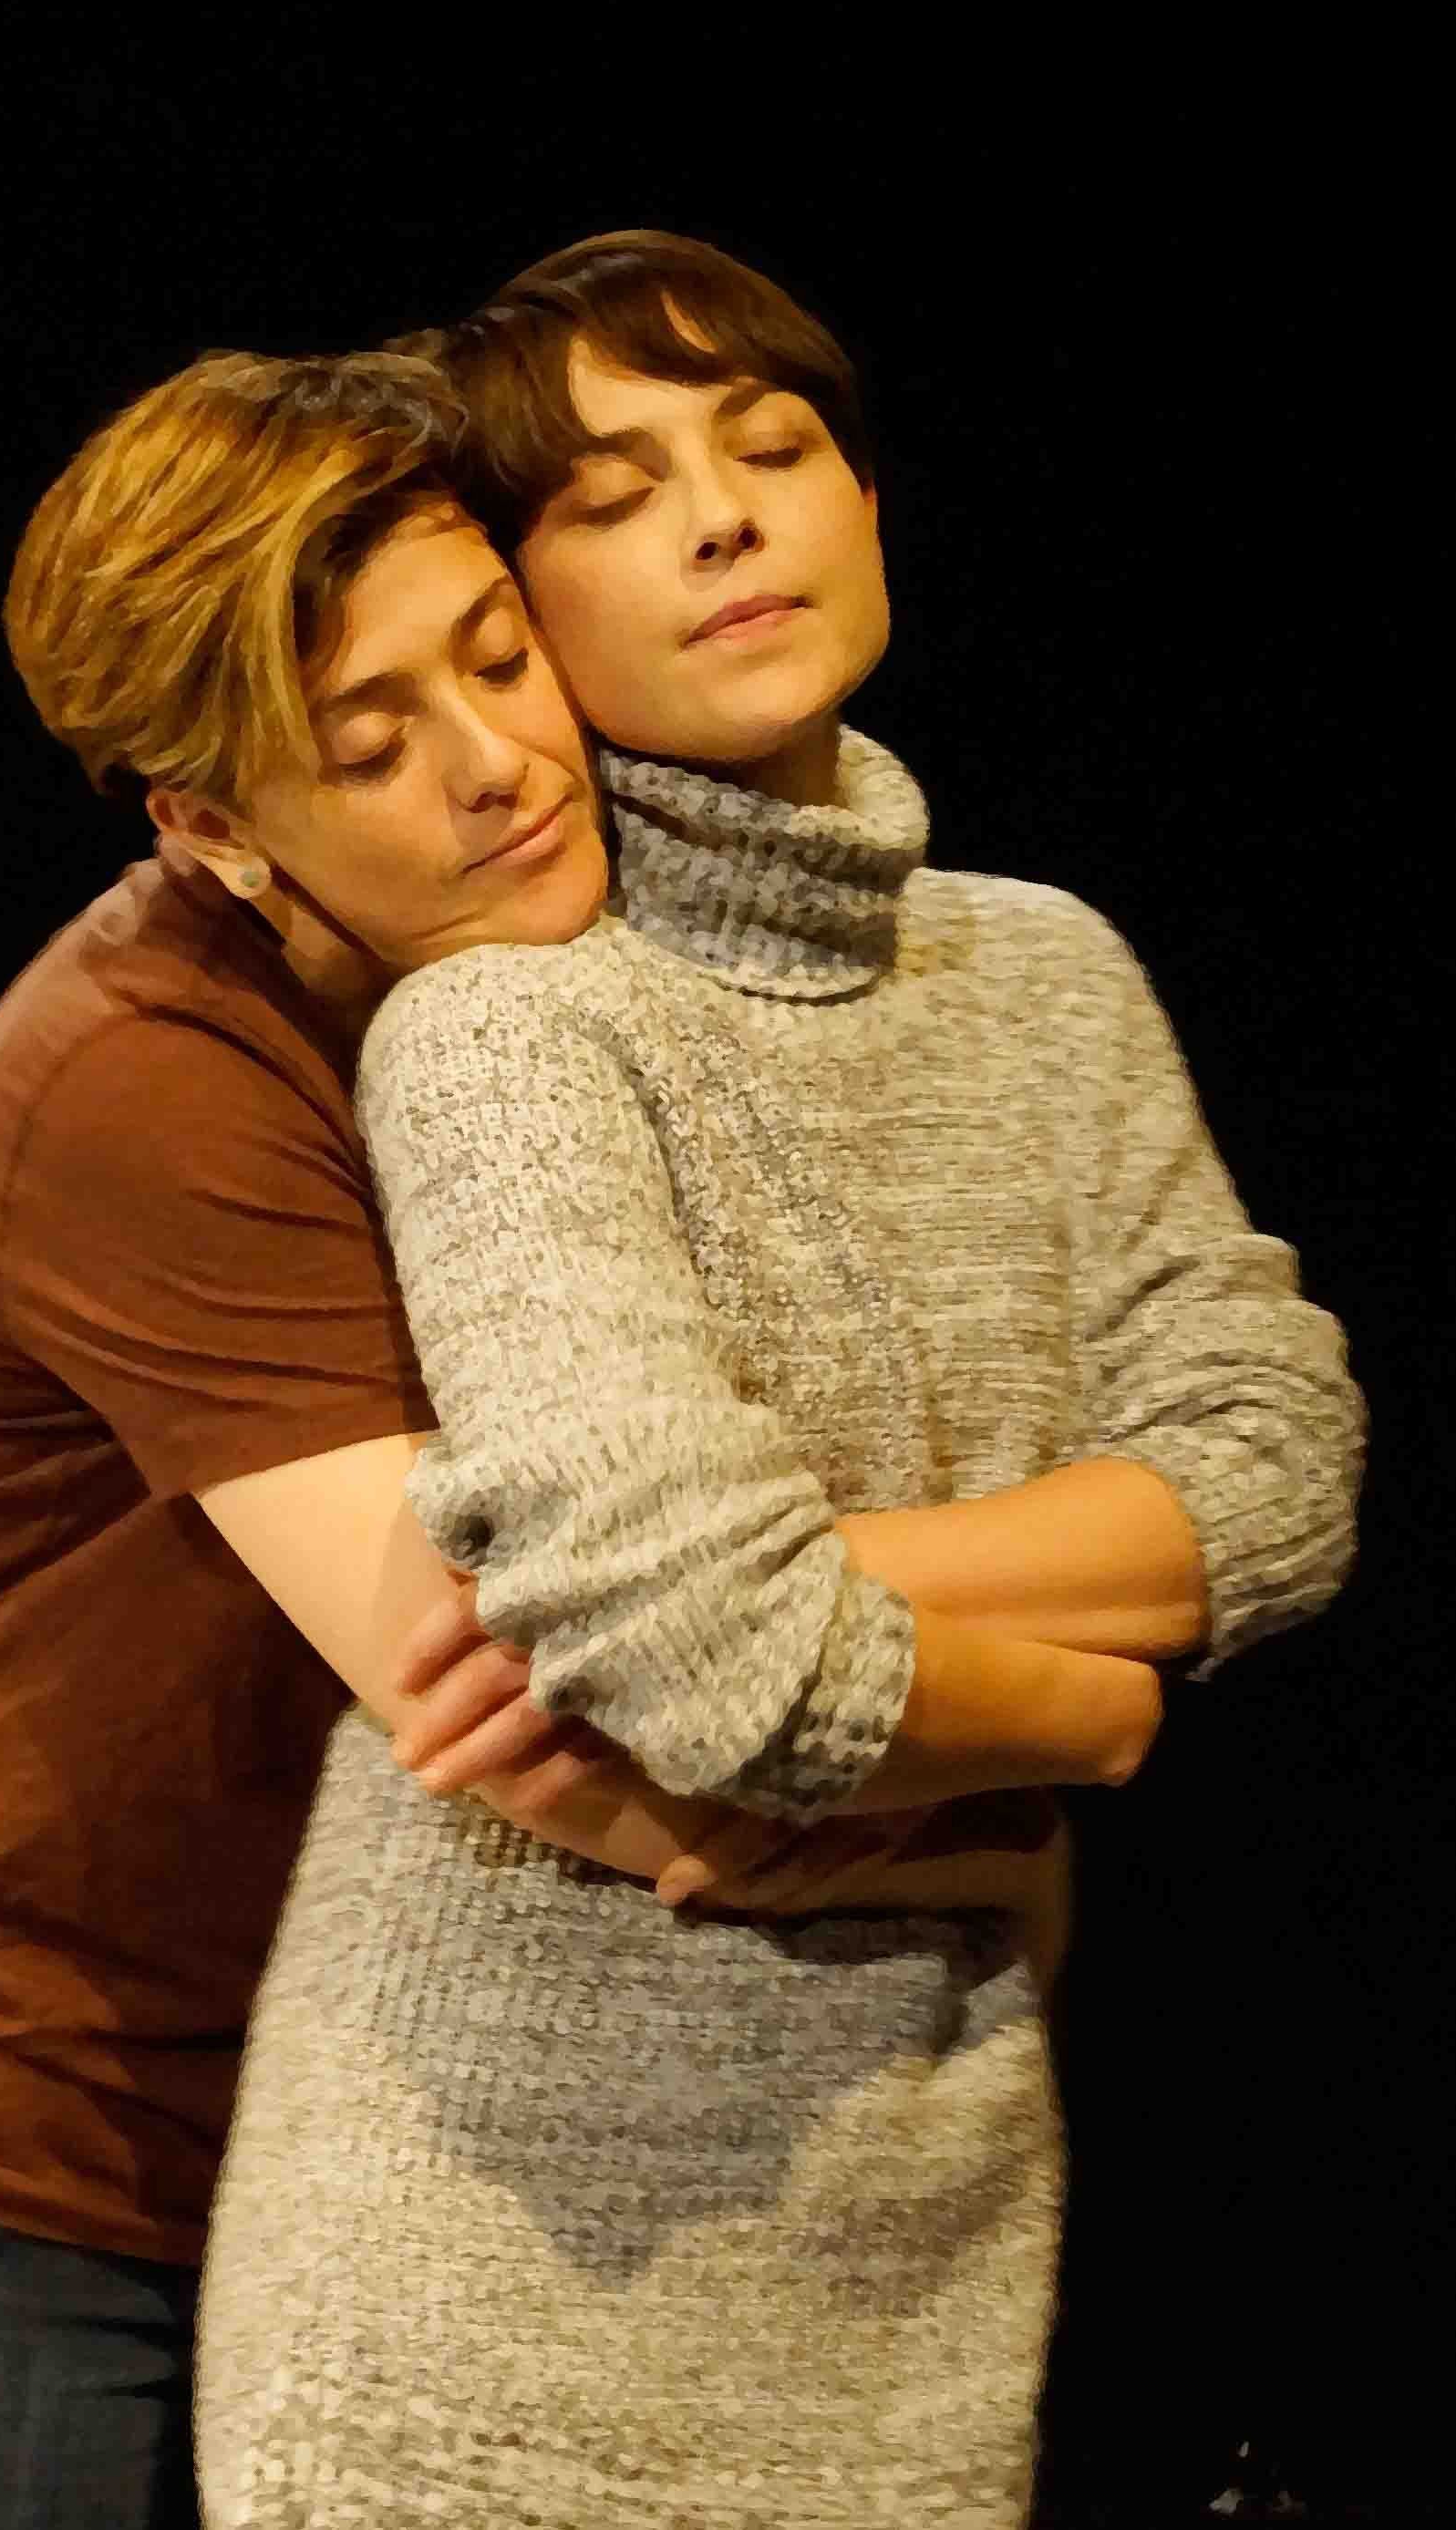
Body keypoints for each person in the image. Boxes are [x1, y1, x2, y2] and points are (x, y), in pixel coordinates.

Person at [190, 235, 1367, 2527]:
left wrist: (796, 1581)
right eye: (615, 495)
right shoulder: (514, 1025)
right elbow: (711, 1673)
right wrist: (1091, 1718)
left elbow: (1278, 1466)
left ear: (868, 498)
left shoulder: (1051, 974)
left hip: (922, 2245)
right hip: (479, 2273)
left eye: (773, 444)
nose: (726, 517)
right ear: (523, 621)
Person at [0, 348, 933, 2530]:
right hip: (7, 2140)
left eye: (498, 657)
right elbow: (549, 1719)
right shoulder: (147, 1083)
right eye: (369, 745)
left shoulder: (583, 960)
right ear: (211, 827)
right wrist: (1034, 1796)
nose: (495, 764)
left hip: (385, 2115)